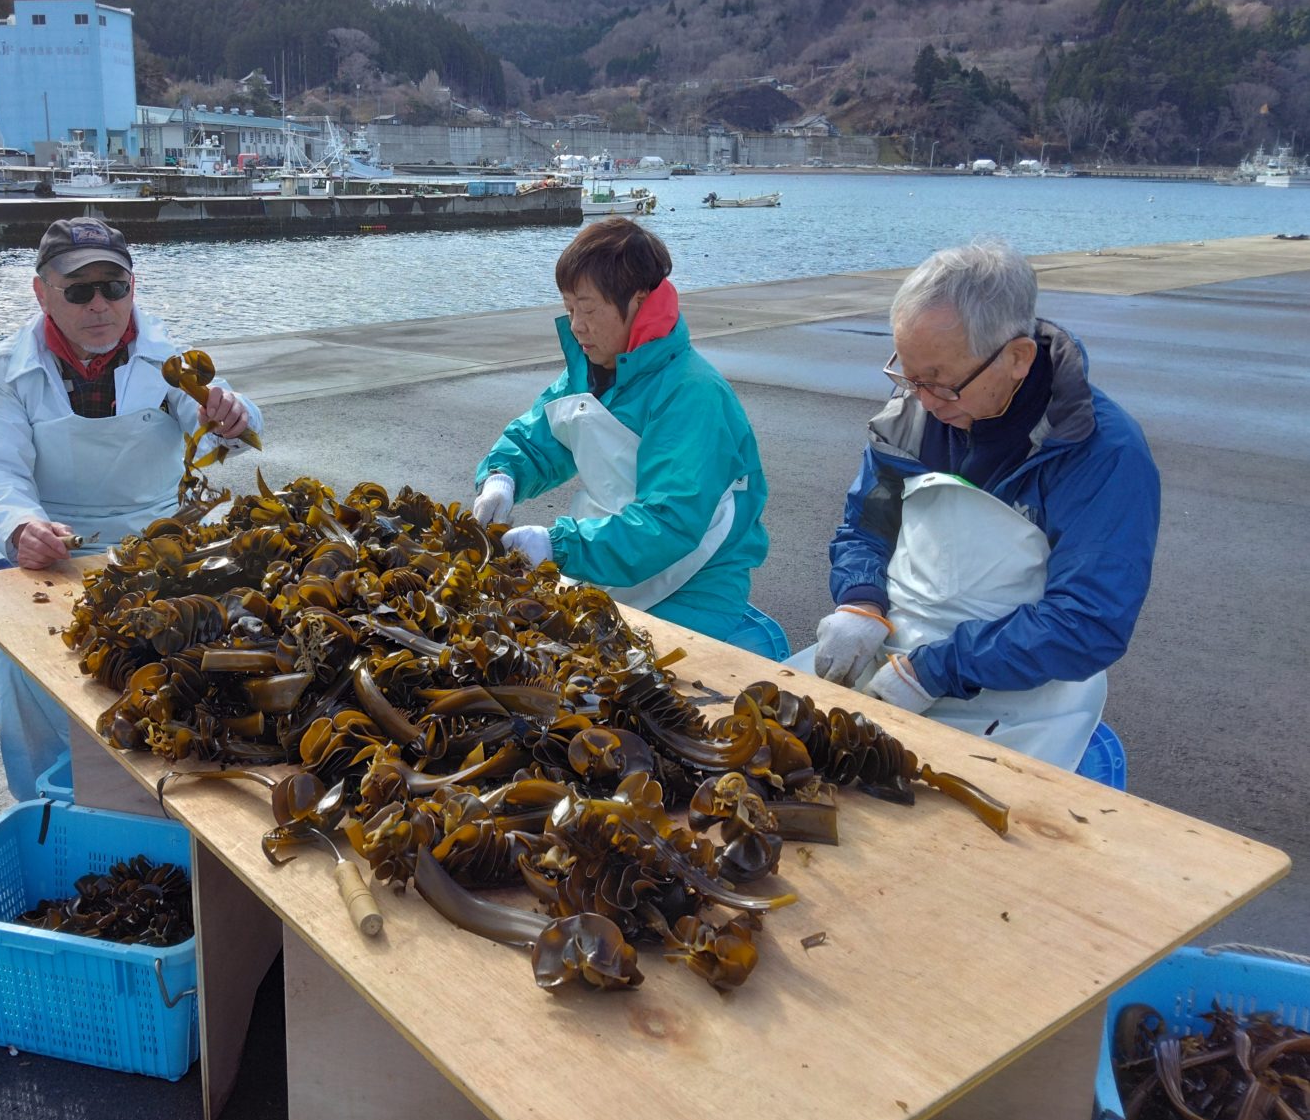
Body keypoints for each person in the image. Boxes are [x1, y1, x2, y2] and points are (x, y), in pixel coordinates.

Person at [801, 240, 1160, 768]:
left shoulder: (1102, 452)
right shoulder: (913, 416)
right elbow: (867, 528)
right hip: (889, 661)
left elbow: (1088, 621)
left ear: (1017, 358)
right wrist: (860, 600)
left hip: (1020, 706)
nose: (921, 399)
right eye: (908, 375)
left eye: (942, 384)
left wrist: (937, 669)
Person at [0, 217, 262, 796]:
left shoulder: (168, 360)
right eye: (79, 290)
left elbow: (225, 418)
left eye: (114, 287)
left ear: (133, 287)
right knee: (13, 666)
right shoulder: (7, 373)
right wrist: (19, 526)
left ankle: (173, 796)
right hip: (55, 554)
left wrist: (230, 416)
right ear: (41, 292)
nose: (100, 305)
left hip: (165, 551)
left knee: (209, 661)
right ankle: (55, 800)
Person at [471, 217, 782, 654]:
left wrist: (558, 545)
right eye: (568, 307)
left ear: (640, 301)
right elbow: (536, 438)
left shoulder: (692, 393)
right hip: (600, 565)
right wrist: (502, 478)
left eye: (589, 308)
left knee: (636, 701)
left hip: (694, 583)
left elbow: (670, 521)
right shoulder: (591, 371)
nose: (576, 325)